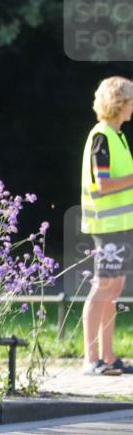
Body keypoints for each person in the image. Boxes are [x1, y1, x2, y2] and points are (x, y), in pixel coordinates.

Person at [81, 76, 133, 376]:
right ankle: (91, 360)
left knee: (114, 287)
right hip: (107, 225)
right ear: (119, 103)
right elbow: (102, 185)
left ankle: (109, 357)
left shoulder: (118, 136)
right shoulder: (101, 136)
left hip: (121, 224)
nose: (132, 107)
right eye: (130, 101)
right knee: (103, 286)